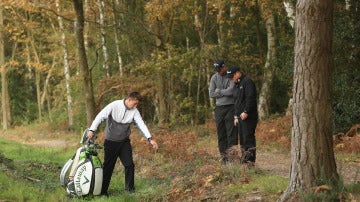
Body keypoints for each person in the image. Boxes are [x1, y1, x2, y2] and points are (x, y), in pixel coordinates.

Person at [87, 91, 158, 195]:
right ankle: (102, 192)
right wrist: (92, 130)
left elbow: (141, 124)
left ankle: (130, 190)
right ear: (129, 99)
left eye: (137, 104)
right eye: (135, 103)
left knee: (129, 165)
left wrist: (150, 139)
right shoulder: (114, 105)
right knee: (108, 167)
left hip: (124, 142)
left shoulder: (134, 111)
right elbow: (100, 116)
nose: (136, 106)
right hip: (111, 142)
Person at [226, 66, 258, 166]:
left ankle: (250, 163)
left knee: (248, 139)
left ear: (237, 73)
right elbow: (236, 101)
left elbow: (251, 98)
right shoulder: (236, 85)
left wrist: (246, 111)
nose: (231, 79)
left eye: (232, 76)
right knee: (243, 140)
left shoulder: (247, 82)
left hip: (249, 116)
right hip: (239, 117)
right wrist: (235, 115)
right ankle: (244, 161)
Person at [209, 59, 238, 165]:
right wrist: (225, 91)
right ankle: (224, 159)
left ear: (224, 67)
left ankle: (232, 159)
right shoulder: (214, 77)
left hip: (231, 107)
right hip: (219, 108)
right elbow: (211, 93)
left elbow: (232, 90)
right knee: (221, 135)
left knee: (231, 134)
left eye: (220, 69)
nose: (218, 72)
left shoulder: (230, 75)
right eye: (216, 70)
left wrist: (220, 91)